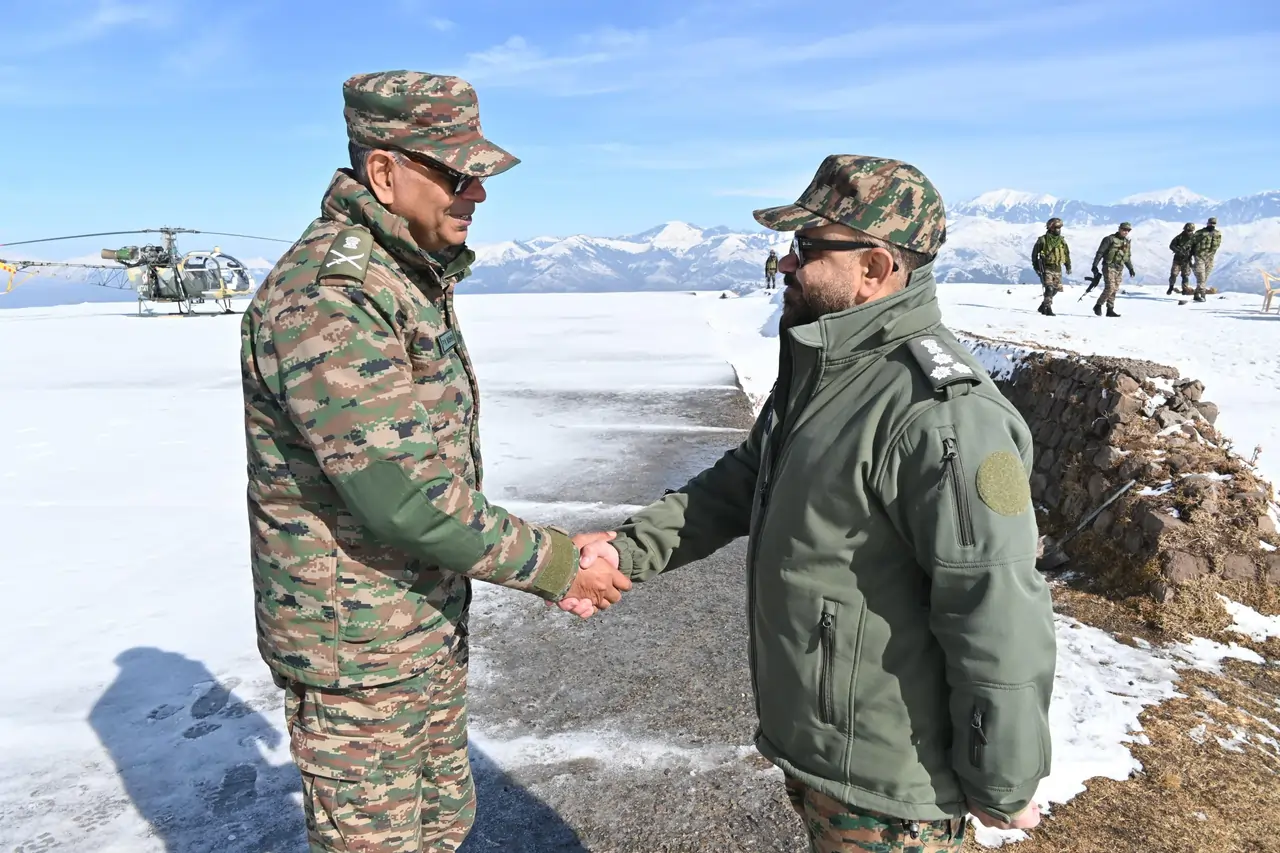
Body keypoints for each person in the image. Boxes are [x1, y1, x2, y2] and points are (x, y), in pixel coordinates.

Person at [567, 155, 1057, 851]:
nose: (787, 264)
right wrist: (626, 549)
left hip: (892, 786)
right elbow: (743, 479)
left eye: (808, 247)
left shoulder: (943, 416)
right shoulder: (830, 372)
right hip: (825, 754)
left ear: (876, 268)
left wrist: (1003, 778)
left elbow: (996, 603)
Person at [239, 70, 631, 853]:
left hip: (416, 626)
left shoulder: (403, 277)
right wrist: (556, 562)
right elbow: (402, 494)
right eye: (457, 173)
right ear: (384, 172)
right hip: (357, 651)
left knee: (442, 827)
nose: (477, 193)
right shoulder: (332, 295)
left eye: (478, 175)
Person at [1090, 221, 1135, 317]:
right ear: (1119, 229)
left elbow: (1127, 257)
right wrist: (1095, 265)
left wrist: (1130, 268)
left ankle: (1110, 309)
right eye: (1124, 230)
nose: (1125, 232)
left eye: (1128, 230)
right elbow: (1100, 253)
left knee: (1115, 289)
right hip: (1109, 266)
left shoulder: (1126, 242)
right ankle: (1098, 305)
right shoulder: (1109, 239)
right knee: (1110, 287)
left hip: (1119, 267)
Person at [1031, 217, 1071, 316]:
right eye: (1056, 228)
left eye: (1060, 228)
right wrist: (1036, 267)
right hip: (1046, 267)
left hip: (1057, 267)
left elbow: (1066, 254)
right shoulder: (1043, 240)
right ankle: (1047, 308)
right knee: (1049, 288)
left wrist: (1068, 266)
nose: (1059, 230)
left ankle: (1043, 305)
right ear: (1051, 228)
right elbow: (1034, 255)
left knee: (1056, 289)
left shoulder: (1062, 241)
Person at [1190, 216, 1222, 302]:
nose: (1211, 225)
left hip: (1210, 258)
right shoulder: (1199, 233)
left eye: (1213, 224)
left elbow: (1216, 246)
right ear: (1207, 223)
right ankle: (1202, 295)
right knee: (1201, 277)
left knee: (1204, 278)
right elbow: (1191, 244)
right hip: (1199, 257)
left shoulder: (1217, 234)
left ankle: (1196, 294)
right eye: (1210, 223)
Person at [1168, 223, 1196, 295]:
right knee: (1173, 274)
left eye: (1190, 230)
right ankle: (1171, 287)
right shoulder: (1179, 237)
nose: (1188, 232)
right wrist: (1178, 251)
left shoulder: (1194, 239)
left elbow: (1196, 249)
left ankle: (1184, 289)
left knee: (1185, 275)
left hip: (1187, 260)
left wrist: (1191, 254)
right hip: (1177, 259)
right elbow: (1171, 245)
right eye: (1187, 230)